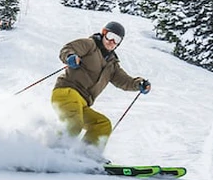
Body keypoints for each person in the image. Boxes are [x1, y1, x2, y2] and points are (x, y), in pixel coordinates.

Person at [51, 21, 151, 159]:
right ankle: (52, 153)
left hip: (83, 102)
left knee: (102, 124)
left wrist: (139, 84)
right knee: (74, 123)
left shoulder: (112, 64)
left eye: (117, 40)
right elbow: (68, 48)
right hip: (67, 92)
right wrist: (70, 57)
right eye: (110, 36)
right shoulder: (90, 45)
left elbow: (125, 81)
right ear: (104, 33)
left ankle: (85, 157)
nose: (112, 42)